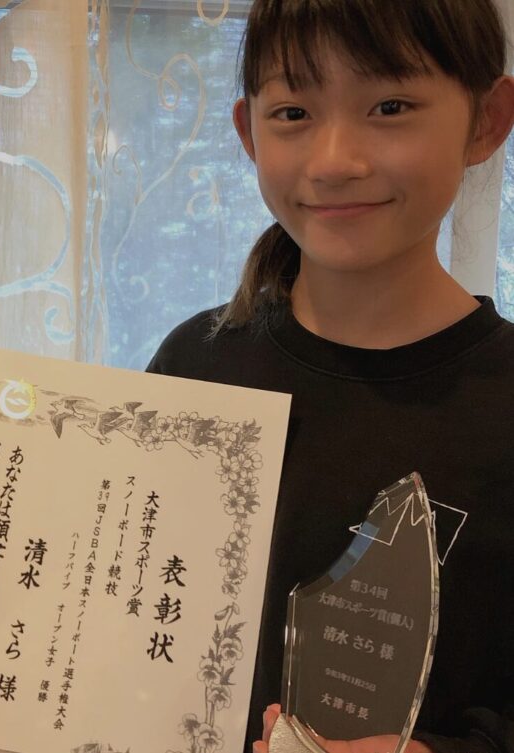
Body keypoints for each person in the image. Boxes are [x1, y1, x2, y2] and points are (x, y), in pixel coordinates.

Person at [145, 2, 514, 753]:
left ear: (486, 121)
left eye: (390, 106)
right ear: (249, 132)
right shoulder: (196, 364)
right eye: (294, 113)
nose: (334, 160)